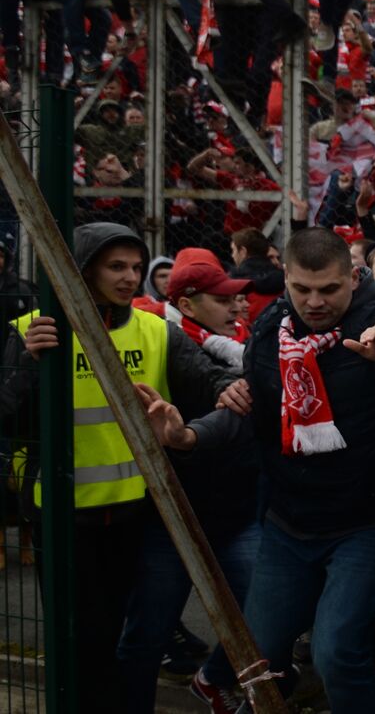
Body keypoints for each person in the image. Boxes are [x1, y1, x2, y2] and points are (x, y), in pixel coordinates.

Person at [143, 227, 375, 714]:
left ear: (354, 278)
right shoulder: (271, 329)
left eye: (329, 290)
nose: (314, 302)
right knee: (255, 656)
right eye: (303, 289)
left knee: (335, 652)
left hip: (370, 522)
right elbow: (248, 412)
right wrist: (187, 437)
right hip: (289, 522)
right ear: (287, 281)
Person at [0, 225, 238, 712]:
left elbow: (208, 379)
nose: (131, 277)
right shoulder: (32, 330)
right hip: (62, 518)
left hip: (134, 516)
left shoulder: (155, 331)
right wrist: (29, 363)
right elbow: (8, 416)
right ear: (84, 268)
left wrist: (231, 388)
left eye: (135, 267)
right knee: (77, 644)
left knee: (115, 640)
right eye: (116, 267)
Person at [120, 249, 261, 714]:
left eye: (235, 298)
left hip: (236, 513)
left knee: (263, 614)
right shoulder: (162, 340)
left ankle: (214, 678)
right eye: (222, 300)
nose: (236, 307)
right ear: (188, 302)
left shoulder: (246, 346)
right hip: (175, 517)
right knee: (148, 634)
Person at [229, 226, 285, 324]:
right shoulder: (284, 279)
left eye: (234, 250)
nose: (232, 255)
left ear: (242, 251)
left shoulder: (235, 281)